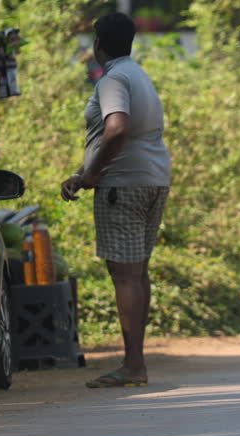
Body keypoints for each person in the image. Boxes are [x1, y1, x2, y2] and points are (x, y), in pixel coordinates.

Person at [60, 13, 171, 387]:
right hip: (153, 179)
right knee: (137, 273)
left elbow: (117, 127)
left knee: (124, 276)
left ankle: (133, 365)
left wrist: (92, 175)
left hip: (122, 185)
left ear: (98, 44)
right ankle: (135, 361)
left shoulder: (112, 80)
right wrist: (83, 172)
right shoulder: (138, 75)